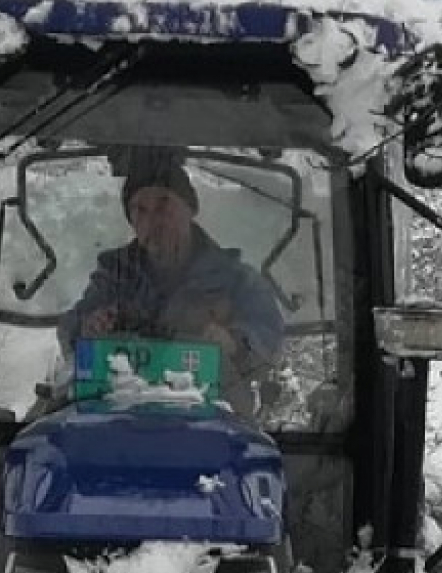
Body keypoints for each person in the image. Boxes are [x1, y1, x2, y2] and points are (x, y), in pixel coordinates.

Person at [60, 156, 286, 411]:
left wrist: (235, 341)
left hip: (214, 420)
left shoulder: (235, 278)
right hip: (117, 413)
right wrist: (88, 327)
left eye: (163, 205)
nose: (152, 220)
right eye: (139, 210)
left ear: (190, 209)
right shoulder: (114, 275)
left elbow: (271, 337)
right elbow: (71, 327)